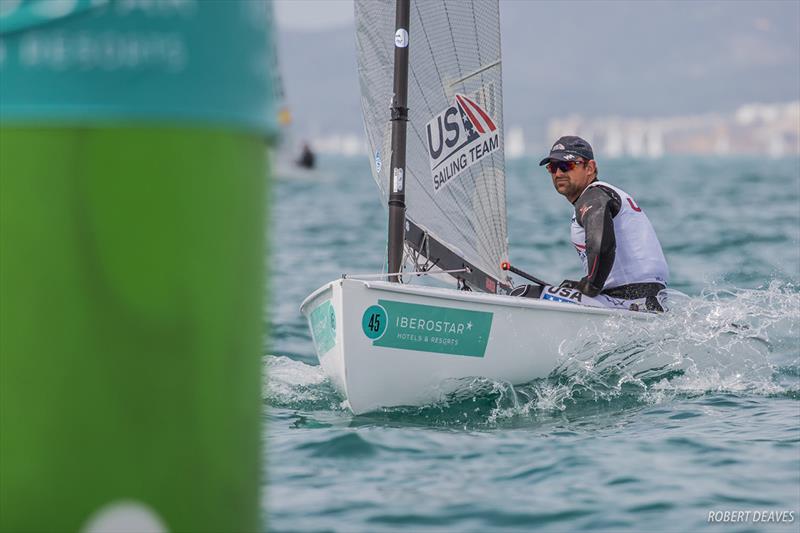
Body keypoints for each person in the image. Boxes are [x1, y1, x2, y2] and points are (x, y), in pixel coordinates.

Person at [519, 135, 669, 311]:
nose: (559, 173)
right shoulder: (605, 194)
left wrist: (591, 285)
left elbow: (602, 245)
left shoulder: (593, 196)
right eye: (553, 167)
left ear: (590, 168)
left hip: (630, 301)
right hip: (649, 300)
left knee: (523, 294)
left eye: (567, 165)